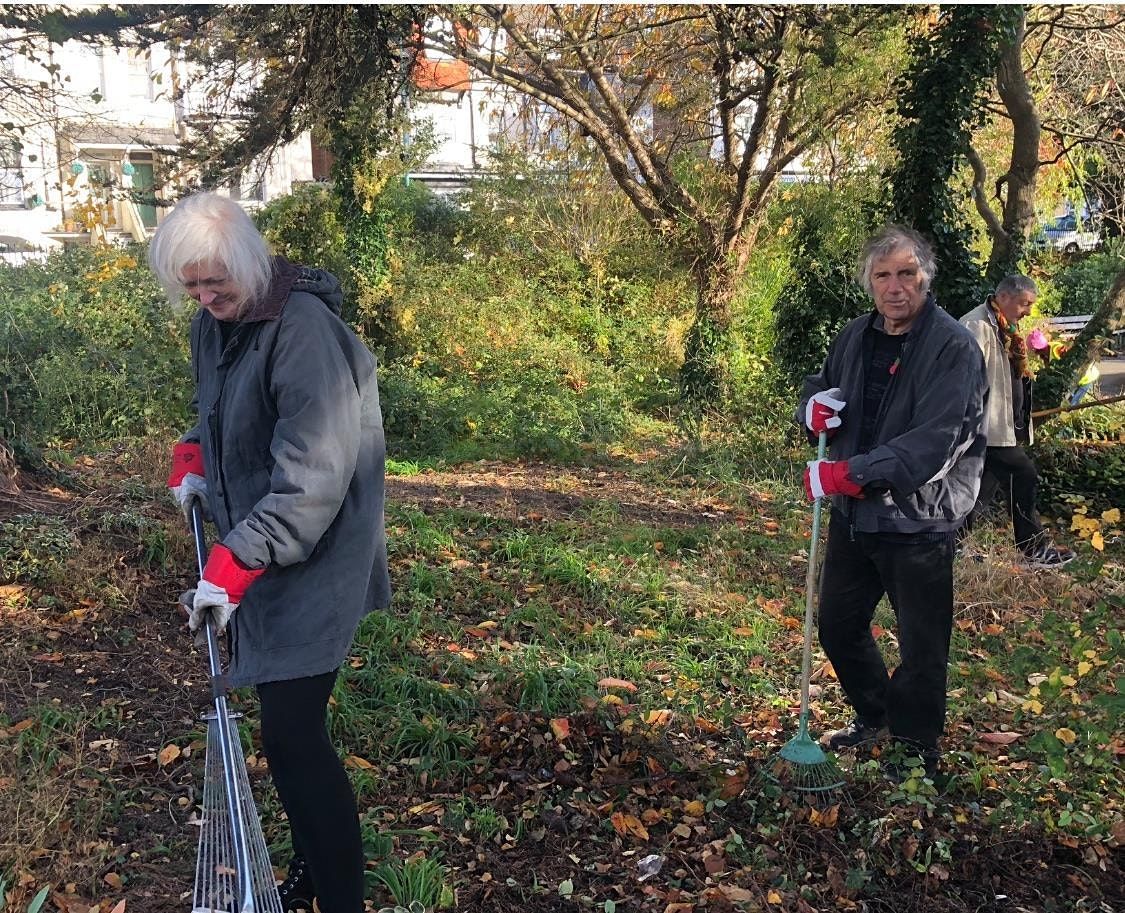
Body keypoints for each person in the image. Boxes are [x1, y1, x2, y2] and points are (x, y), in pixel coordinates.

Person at [152, 192, 391, 913]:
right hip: (263, 548)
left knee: (291, 735)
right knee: (286, 732)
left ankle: (339, 897)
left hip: (314, 554)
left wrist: (232, 562)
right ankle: (314, 876)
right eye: (189, 285)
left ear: (248, 261)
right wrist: (196, 454)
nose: (203, 296)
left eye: (213, 281)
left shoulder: (303, 331)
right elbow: (219, 408)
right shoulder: (215, 324)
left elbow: (313, 480)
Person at [797, 224, 987, 779]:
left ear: (925, 277)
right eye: (883, 275)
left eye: (907, 273)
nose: (895, 286)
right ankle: (877, 718)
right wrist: (813, 408)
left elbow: (939, 441)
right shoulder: (855, 335)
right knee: (836, 624)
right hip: (855, 516)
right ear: (870, 282)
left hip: (920, 521)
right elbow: (822, 384)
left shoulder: (954, 347)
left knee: (922, 649)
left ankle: (914, 754)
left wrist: (847, 473)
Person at [958, 276, 1075, 568]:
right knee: (1024, 476)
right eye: (1025, 304)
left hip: (1002, 424)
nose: (1028, 311)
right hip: (987, 426)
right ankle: (1033, 550)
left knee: (979, 490)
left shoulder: (1005, 325)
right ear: (1005, 297)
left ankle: (953, 545)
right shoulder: (976, 326)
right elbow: (962, 380)